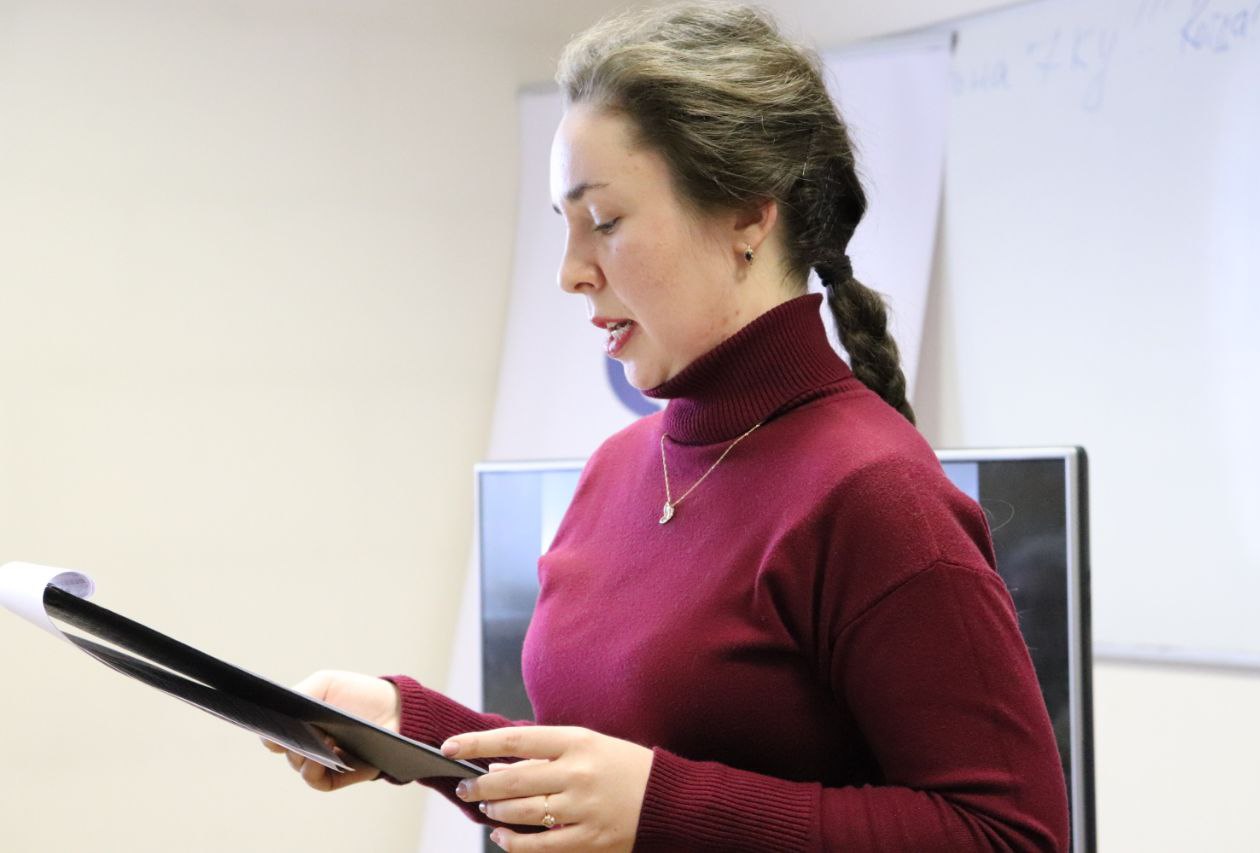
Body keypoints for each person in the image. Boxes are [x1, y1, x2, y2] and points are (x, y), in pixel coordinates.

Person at [266, 4, 1070, 851]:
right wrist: (410, 726)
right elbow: (599, 780)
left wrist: (662, 806)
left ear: (747, 216)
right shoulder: (617, 467)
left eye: (606, 223)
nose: (571, 273)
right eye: (566, 228)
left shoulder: (877, 492)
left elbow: (1009, 833)